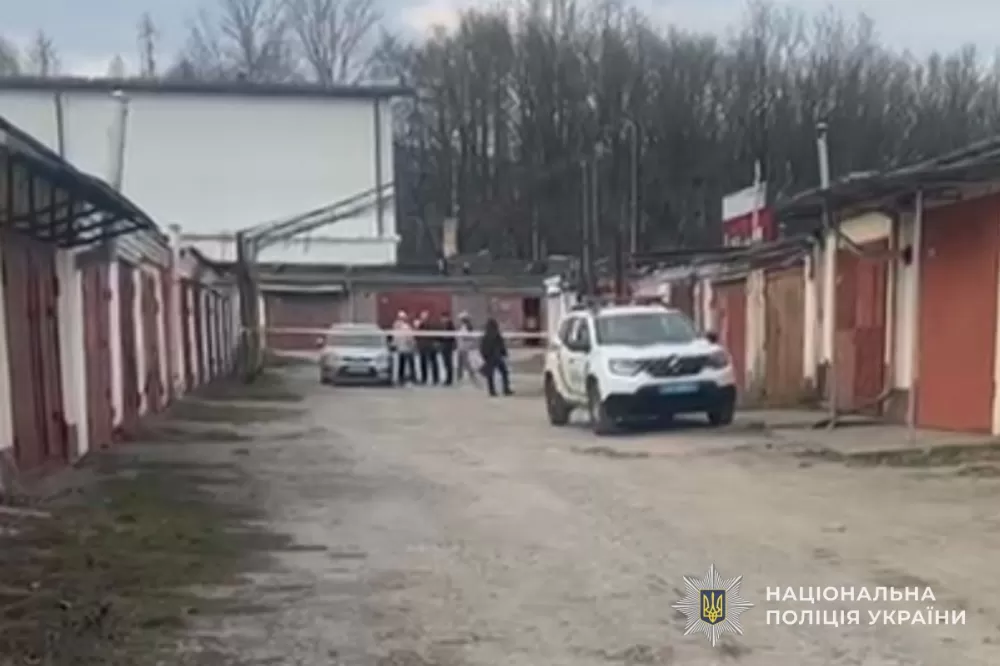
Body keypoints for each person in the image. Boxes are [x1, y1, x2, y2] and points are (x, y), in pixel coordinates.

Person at [479, 317, 512, 396]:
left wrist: (485, 357)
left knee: (490, 375)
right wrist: (504, 354)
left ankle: (492, 391)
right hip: (497, 357)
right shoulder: (497, 334)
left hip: (489, 358)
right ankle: (506, 389)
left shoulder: (485, 336)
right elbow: (501, 345)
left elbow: (482, 348)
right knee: (504, 372)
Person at [414, 310, 439, 385]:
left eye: (424, 315)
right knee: (423, 363)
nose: (423, 317)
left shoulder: (431, 323)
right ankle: (424, 378)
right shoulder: (419, 324)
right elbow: (416, 335)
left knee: (433, 362)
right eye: (422, 316)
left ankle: (435, 379)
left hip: (430, 346)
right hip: (422, 346)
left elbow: (433, 333)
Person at [391, 311, 416, 385]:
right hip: (402, 348)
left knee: (407, 363)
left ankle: (409, 377)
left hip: (406, 348)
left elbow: (409, 337)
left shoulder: (404, 326)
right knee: (403, 364)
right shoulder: (398, 326)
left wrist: (411, 343)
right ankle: (402, 378)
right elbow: (395, 338)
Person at [455, 312, 478, 386]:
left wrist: (466, 342)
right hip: (460, 346)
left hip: (464, 347)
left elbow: (469, 337)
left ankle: (472, 376)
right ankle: (459, 377)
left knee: (466, 363)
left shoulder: (467, 327)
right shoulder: (462, 327)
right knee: (460, 362)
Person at [438, 312, 456, 385]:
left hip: (448, 346)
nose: (441, 319)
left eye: (443, 318)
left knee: (449, 363)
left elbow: (452, 336)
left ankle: (449, 379)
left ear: (446, 318)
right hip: (444, 346)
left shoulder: (450, 325)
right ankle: (447, 378)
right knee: (445, 363)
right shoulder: (443, 326)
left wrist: (445, 337)